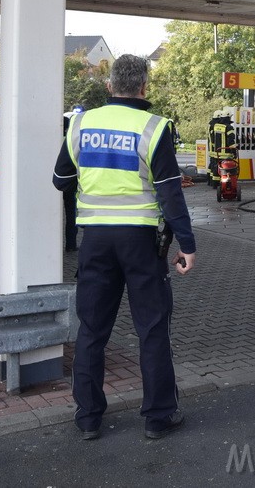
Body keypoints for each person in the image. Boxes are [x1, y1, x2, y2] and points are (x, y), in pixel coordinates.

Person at [52, 54, 195, 441]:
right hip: (141, 243)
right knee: (151, 328)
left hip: (94, 242)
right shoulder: (154, 126)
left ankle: (88, 417)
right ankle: (158, 417)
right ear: (144, 88)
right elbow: (169, 193)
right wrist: (186, 243)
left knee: (93, 329)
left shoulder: (81, 123)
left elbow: (60, 180)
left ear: (109, 86)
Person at [63, 114, 79, 252]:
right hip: (70, 184)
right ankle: (71, 245)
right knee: (71, 215)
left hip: (55, 181)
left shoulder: (49, 139)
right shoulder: (69, 140)